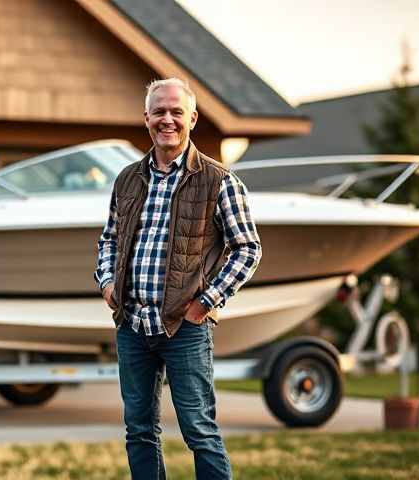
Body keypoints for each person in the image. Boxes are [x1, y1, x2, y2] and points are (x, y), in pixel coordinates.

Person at [94, 78, 262, 480]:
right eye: (158, 111)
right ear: (146, 118)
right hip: (132, 325)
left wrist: (206, 303)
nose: (166, 119)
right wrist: (107, 284)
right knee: (139, 432)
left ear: (192, 118)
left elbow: (248, 248)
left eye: (175, 112)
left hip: (185, 328)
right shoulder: (127, 179)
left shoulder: (219, 180)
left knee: (199, 430)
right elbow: (110, 239)